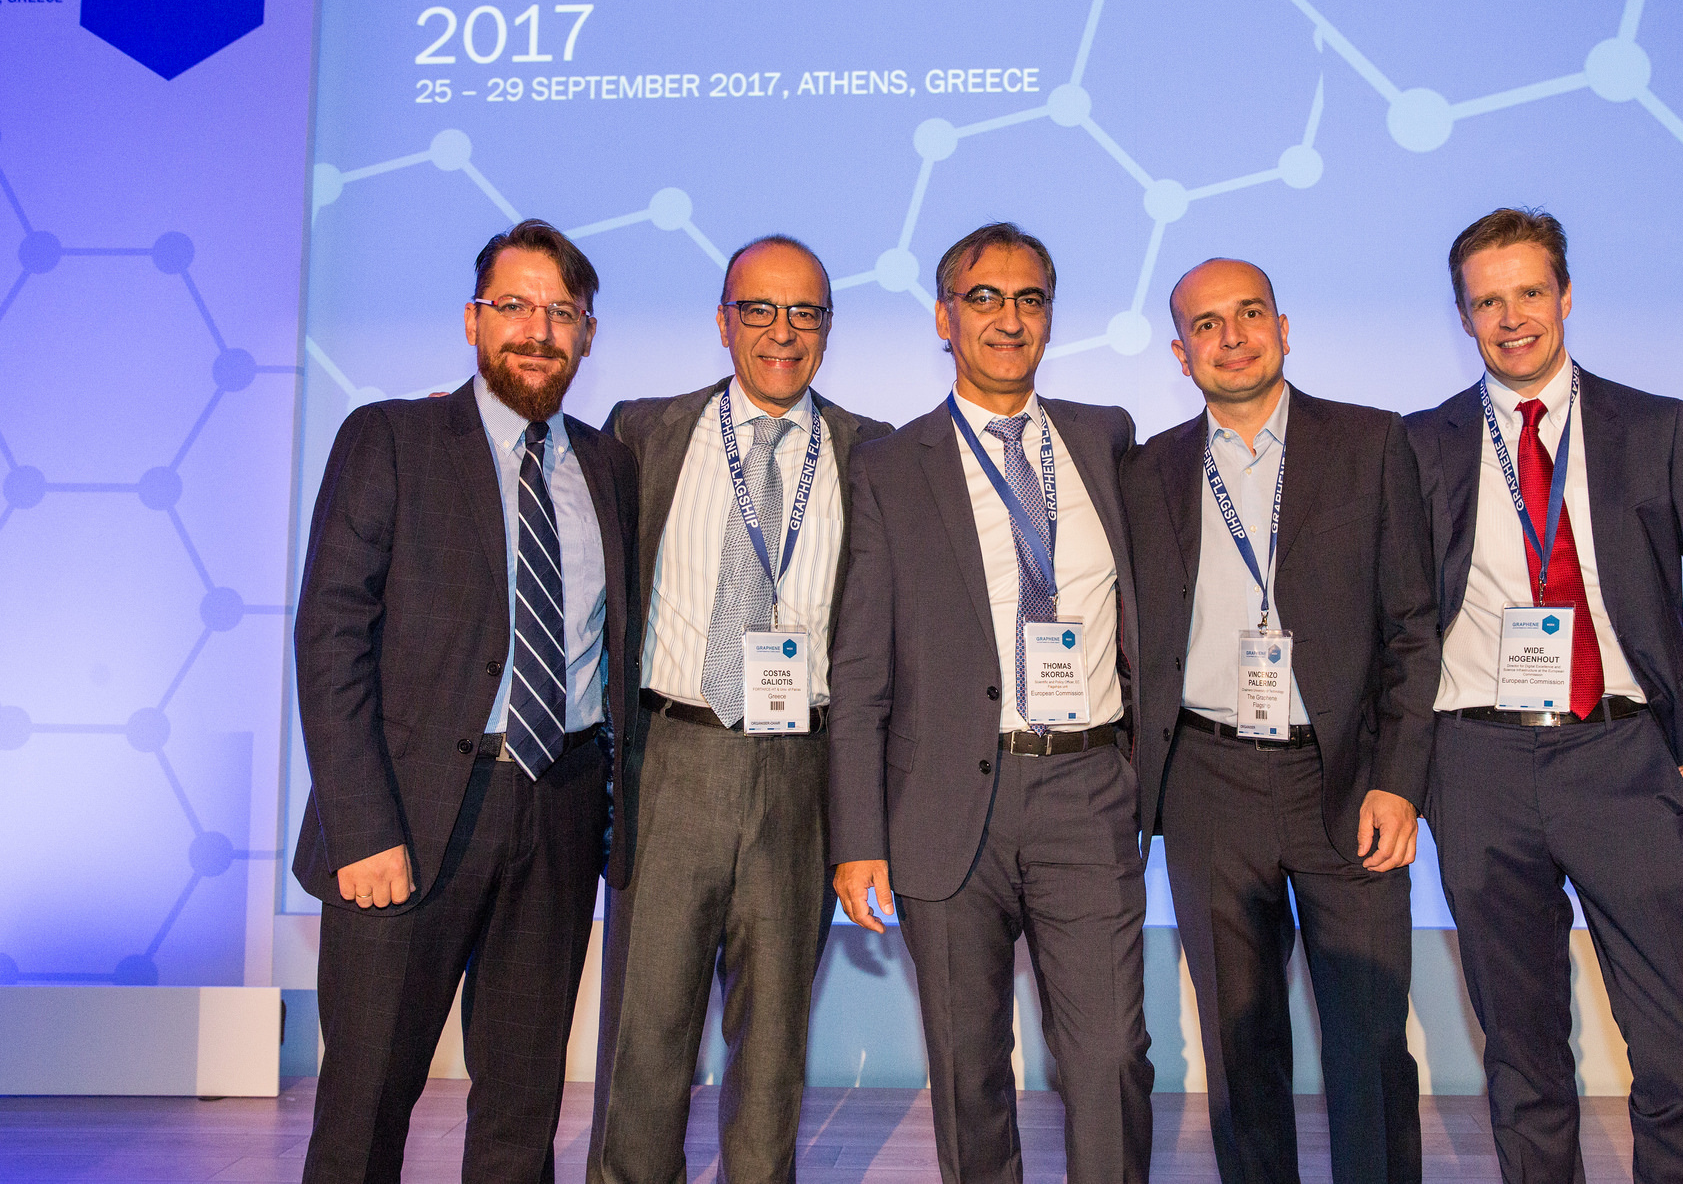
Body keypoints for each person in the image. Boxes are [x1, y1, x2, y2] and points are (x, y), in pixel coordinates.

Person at [1406, 208, 1683, 1184]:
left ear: (1564, 297)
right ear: (1461, 316)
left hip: (1621, 761)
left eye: (1528, 292)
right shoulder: (1420, 445)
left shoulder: (1650, 429)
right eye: (1486, 300)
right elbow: (1388, 625)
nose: (1510, 316)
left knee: (1681, 1050)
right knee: (1521, 1056)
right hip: (1476, 765)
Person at [293, 219, 639, 1184]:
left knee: (521, 1110)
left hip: (560, 805)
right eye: (514, 306)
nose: (537, 330)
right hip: (405, 819)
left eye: (559, 311)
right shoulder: (391, 437)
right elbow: (329, 641)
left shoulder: (606, 468)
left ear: (588, 332)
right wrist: (361, 827)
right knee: (364, 1106)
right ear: (472, 319)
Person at [828, 221, 1152, 1184]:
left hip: (1086, 789)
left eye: (1030, 298)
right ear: (944, 316)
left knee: (1106, 1059)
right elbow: (858, 666)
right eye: (985, 297)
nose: (1008, 318)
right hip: (941, 804)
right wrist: (857, 833)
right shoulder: (892, 464)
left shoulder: (1107, 437)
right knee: (969, 1070)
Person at [1122, 258, 1439, 1184]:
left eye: (1249, 314)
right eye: (1207, 325)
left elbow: (1413, 630)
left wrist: (1400, 779)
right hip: (1207, 783)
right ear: (1182, 355)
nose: (1232, 337)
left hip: (1344, 776)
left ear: (1285, 326)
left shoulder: (1374, 443)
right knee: (1239, 1043)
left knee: (1370, 1042)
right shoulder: (1150, 471)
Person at [586, 236, 890, 1184]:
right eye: (758, 309)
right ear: (722, 322)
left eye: (805, 312)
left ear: (829, 331)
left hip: (802, 768)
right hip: (671, 757)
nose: (781, 331)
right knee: (647, 1035)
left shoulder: (870, 451)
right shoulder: (642, 432)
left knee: (773, 1042)